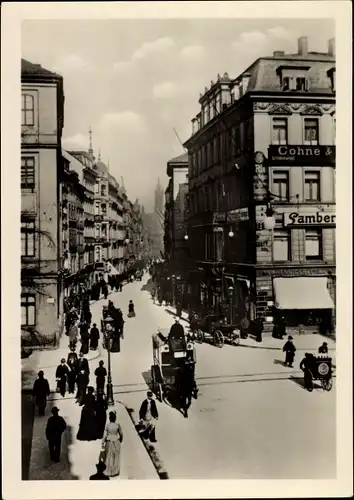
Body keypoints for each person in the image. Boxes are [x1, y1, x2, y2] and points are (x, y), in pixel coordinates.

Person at [101, 411, 123, 477]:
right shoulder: (118, 425)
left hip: (109, 442)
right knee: (116, 456)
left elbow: (104, 435)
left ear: (110, 418)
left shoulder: (107, 426)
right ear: (115, 418)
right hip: (116, 441)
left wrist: (103, 442)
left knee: (108, 456)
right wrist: (121, 439)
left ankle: (108, 471)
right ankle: (115, 471)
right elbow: (121, 434)